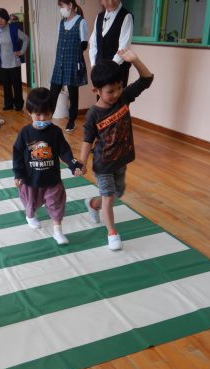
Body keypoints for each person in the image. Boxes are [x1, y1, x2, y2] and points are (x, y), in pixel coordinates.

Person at [80, 50, 153, 250]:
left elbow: (146, 80)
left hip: (121, 160)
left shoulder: (124, 98)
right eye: (110, 91)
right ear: (96, 91)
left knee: (117, 193)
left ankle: (92, 204)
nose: (116, 94)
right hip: (103, 164)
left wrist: (135, 60)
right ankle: (112, 233)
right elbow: (87, 139)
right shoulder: (93, 114)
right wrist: (82, 162)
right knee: (109, 196)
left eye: (119, 88)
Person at [12, 87, 83, 244]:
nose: (43, 118)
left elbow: (64, 151)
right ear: (29, 112)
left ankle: (57, 231)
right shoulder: (25, 133)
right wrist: (18, 174)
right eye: (38, 114)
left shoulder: (55, 132)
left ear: (52, 112)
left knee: (56, 203)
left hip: (52, 179)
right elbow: (17, 155)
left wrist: (74, 165)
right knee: (31, 204)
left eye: (47, 114)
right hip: (31, 180)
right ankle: (30, 216)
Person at [50, 0, 88, 133]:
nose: (60, 9)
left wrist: (73, 56)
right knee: (53, 92)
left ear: (70, 5)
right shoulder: (61, 23)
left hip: (72, 62)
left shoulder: (81, 22)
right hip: (59, 62)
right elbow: (59, 42)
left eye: (62, 6)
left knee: (73, 94)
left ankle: (71, 121)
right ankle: (47, 120)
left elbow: (84, 45)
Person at [88, 0, 133, 87]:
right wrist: (93, 65)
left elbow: (123, 48)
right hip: (100, 70)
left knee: (117, 95)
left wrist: (109, 71)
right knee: (100, 95)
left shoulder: (126, 16)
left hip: (117, 71)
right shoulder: (99, 17)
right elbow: (93, 43)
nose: (110, 2)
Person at [0, 8, 29, 111]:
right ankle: (8, 104)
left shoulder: (13, 29)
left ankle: (18, 105)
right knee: (6, 85)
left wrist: (21, 51)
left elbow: (26, 39)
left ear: (6, 18)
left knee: (17, 85)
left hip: (14, 63)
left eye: (2, 18)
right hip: (3, 63)